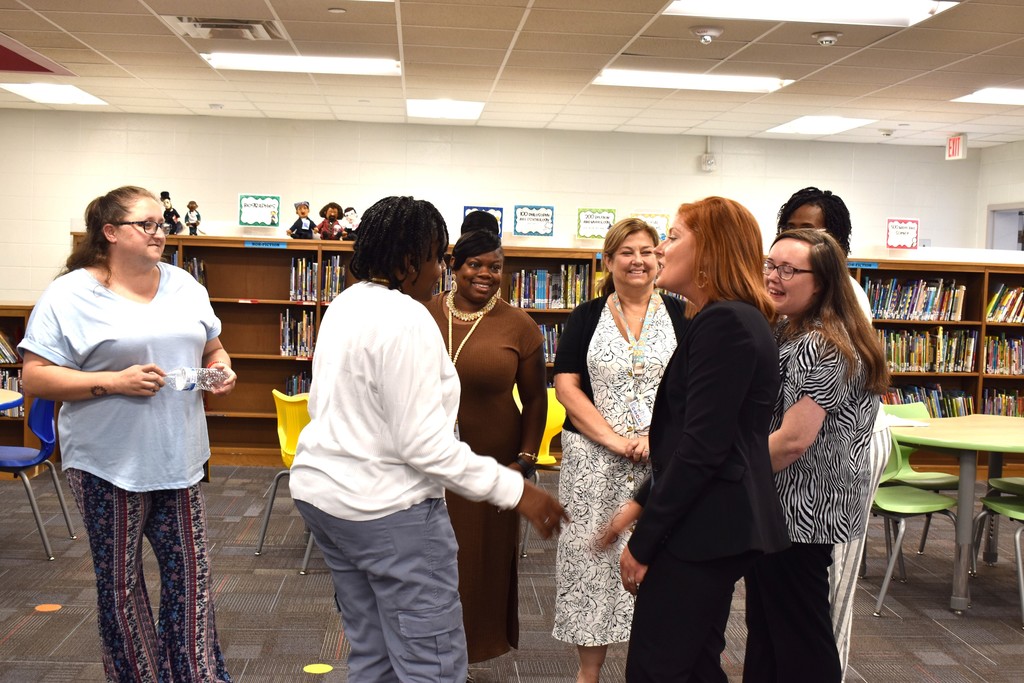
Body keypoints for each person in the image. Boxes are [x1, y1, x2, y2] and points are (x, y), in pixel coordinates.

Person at [288, 195, 567, 683]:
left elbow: (329, 406)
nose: (442, 270)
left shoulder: (344, 304)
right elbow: (424, 446)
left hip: (323, 498)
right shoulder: (408, 318)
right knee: (431, 662)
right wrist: (517, 490)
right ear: (408, 261)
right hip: (387, 512)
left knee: (373, 649)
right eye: (439, 257)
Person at [18, 185, 237, 682]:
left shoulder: (186, 285)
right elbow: (35, 378)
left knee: (192, 580)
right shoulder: (70, 294)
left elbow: (212, 351)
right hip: (107, 464)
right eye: (148, 224)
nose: (160, 232)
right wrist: (112, 381)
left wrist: (220, 370)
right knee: (120, 585)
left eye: (163, 224)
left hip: (179, 459)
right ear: (111, 233)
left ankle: (196, 676)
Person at [600, 198, 790, 682]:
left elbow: (702, 448)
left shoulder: (725, 323)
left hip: (706, 526)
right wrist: (641, 502)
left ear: (709, 252)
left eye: (674, 236)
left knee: (656, 667)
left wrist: (643, 544)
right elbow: (697, 437)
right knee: (695, 664)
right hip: (713, 519)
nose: (662, 249)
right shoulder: (724, 318)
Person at [744, 228, 890, 683]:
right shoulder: (790, 327)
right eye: (771, 265)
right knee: (771, 629)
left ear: (824, 281)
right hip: (784, 505)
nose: (774, 277)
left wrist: (722, 471)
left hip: (800, 510)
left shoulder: (825, 343)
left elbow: (792, 441)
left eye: (789, 270)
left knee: (799, 634)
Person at [551, 217, 690, 683]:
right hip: (593, 464)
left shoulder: (684, 316)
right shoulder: (585, 316)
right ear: (608, 261)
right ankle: (588, 674)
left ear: (659, 258)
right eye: (626, 252)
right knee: (591, 563)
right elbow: (567, 386)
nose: (638, 260)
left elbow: (693, 392)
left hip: (664, 464)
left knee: (662, 563)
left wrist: (657, 438)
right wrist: (613, 439)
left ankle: (654, 668)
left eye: (648, 250)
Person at [424, 224, 547, 664]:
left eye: (495, 267)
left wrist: (526, 460)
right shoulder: (423, 313)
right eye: (474, 264)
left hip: (493, 460)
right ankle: (426, 652)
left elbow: (536, 399)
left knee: (480, 562)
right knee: (430, 560)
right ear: (453, 268)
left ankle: (470, 653)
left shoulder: (520, 326)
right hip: (428, 458)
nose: (486, 274)